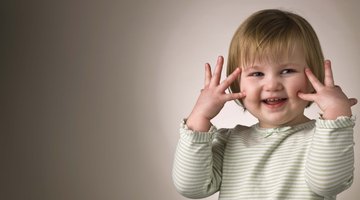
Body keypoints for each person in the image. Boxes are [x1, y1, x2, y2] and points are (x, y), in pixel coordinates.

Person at [172, 9, 357, 200]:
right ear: (237, 84)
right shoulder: (229, 143)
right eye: (257, 74)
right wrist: (200, 116)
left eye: (287, 71)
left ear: (312, 80)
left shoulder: (321, 139)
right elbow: (190, 187)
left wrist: (337, 113)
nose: (272, 85)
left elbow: (328, 183)